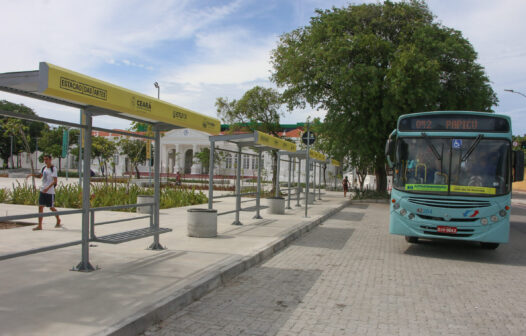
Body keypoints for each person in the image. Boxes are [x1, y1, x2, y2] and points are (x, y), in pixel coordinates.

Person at [27, 154, 61, 230]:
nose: (45, 161)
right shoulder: (44, 168)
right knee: (40, 207)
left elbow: (55, 181)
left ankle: (58, 219)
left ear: (50, 159)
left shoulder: (53, 169)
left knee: (51, 207)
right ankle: (40, 225)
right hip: (42, 190)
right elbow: (40, 176)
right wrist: (31, 175)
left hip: (50, 192)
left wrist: (48, 188)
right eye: (44, 159)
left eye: (47, 159)